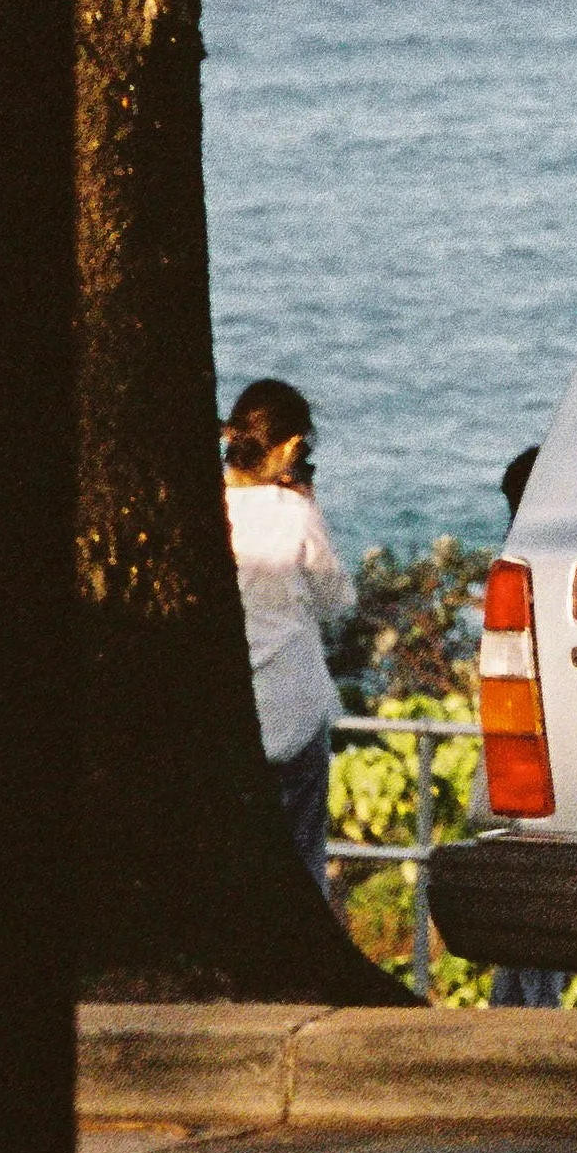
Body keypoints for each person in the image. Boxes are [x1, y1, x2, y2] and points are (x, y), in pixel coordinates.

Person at [222, 378, 354, 922]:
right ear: (292, 450)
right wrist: (309, 502)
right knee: (303, 850)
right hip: (294, 708)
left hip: (230, 710)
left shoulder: (206, 507)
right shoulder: (294, 513)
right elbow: (338, 600)